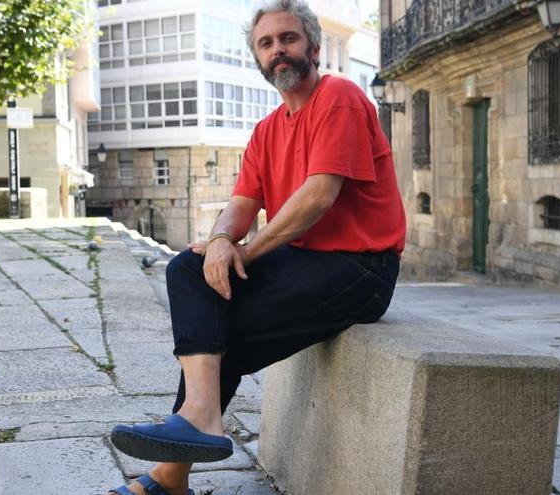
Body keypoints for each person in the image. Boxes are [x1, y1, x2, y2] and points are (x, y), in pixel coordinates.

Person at [107, 1, 405, 494]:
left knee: (218, 337)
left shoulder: (341, 96)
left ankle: (169, 476)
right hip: (306, 263)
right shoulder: (267, 130)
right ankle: (191, 436)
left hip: (361, 269)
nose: (278, 51)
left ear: (313, 46)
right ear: (257, 58)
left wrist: (247, 250)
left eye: (288, 39)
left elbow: (318, 197)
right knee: (188, 267)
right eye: (266, 44)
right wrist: (224, 239)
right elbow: (241, 203)